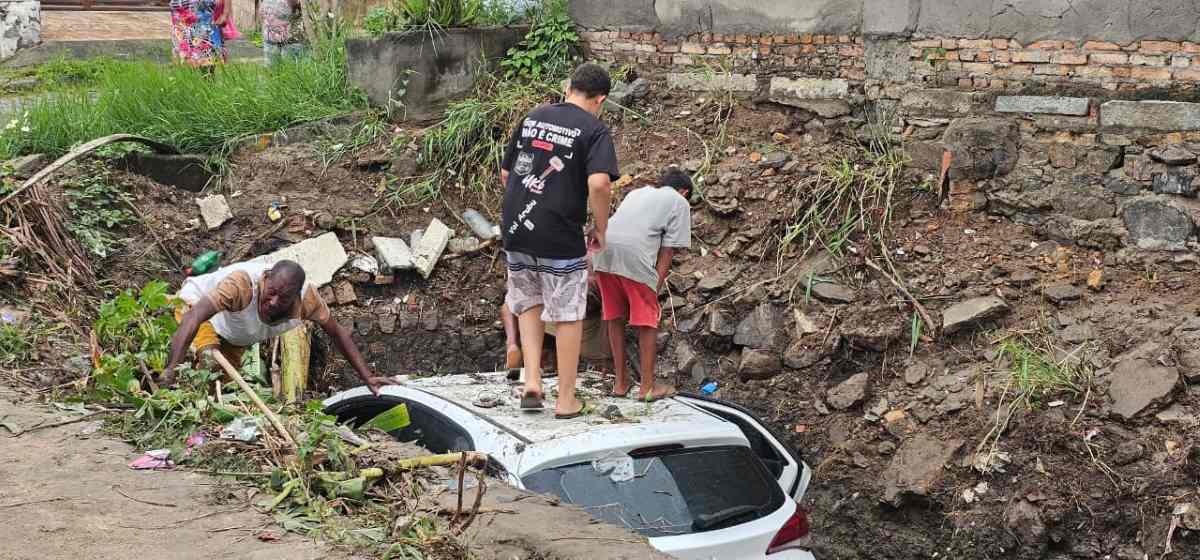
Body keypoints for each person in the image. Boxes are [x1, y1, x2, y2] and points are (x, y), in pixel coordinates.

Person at [499, 62, 617, 419]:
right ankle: (566, 399)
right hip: (560, 233)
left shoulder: (535, 116)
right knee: (566, 315)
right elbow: (599, 184)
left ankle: (532, 380)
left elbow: (507, 173)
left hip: (517, 228)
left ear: (569, 88)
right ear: (601, 99)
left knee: (528, 303)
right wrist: (600, 226)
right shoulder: (595, 129)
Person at [162, 259, 392, 396]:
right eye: (271, 293)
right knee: (206, 358)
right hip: (194, 308)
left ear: (294, 297)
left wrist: (367, 377)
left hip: (233, 335)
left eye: (283, 299)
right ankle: (164, 377)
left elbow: (337, 333)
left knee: (215, 386)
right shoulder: (242, 285)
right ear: (266, 279)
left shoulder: (307, 301)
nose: (273, 302)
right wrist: (172, 367)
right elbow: (193, 318)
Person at [593, 167, 693, 401]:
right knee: (648, 320)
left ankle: (620, 383)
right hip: (633, 255)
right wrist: (653, 289)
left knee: (614, 316)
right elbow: (667, 252)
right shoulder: (679, 201)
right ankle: (647, 387)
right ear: (684, 191)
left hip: (602, 250)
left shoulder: (637, 193)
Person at [169, 0, 228, 67]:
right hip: (181, 21)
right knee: (186, 63)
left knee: (208, 63)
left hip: (203, 22)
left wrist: (225, 13)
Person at [260, 0, 306, 65]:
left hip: (291, 42)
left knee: (290, 70)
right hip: (269, 39)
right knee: (271, 69)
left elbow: (298, 5)